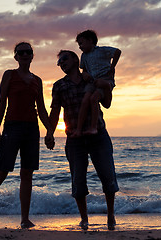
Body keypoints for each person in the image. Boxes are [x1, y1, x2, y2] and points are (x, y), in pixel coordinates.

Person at [0, 42, 54, 229]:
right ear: (15, 56)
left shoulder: (37, 80)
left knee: (27, 174)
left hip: (32, 129)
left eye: (28, 52)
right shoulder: (9, 75)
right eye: (21, 52)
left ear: (32, 56)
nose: (25, 54)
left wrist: (49, 130)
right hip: (12, 127)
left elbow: (41, 108)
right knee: (1, 172)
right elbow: (2, 103)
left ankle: (24, 219)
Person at [45, 50, 119, 230]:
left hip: (98, 135)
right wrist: (50, 132)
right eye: (59, 62)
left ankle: (110, 216)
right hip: (74, 138)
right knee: (78, 181)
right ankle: (84, 218)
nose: (61, 63)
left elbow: (107, 104)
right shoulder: (59, 85)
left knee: (108, 177)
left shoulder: (91, 79)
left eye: (64, 59)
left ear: (75, 59)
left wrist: (105, 85)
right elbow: (55, 111)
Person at [72, 29, 121, 137]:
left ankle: (93, 127)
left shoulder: (102, 50)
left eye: (81, 43)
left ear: (90, 41)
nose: (80, 47)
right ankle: (79, 129)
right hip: (92, 81)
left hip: (105, 80)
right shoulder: (84, 56)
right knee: (85, 100)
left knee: (94, 99)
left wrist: (112, 67)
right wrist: (85, 74)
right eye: (79, 44)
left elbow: (117, 52)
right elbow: (83, 69)